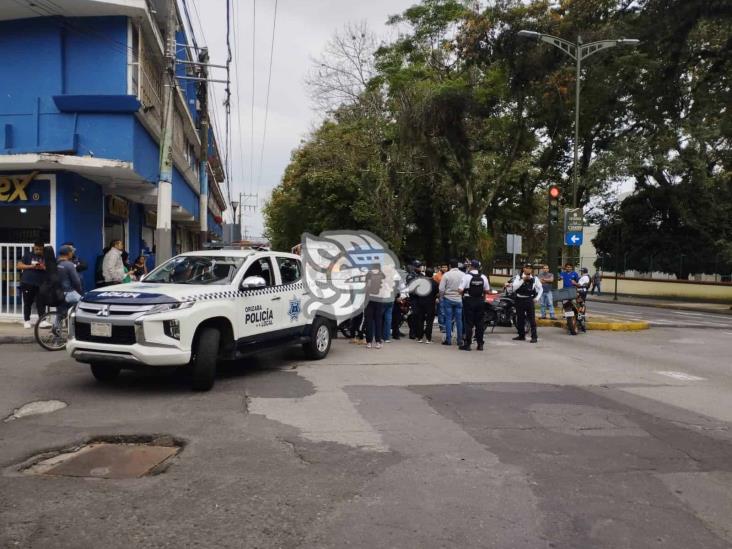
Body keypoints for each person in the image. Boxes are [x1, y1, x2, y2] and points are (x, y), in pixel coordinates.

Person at [459, 259, 490, 351]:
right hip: (480, 301)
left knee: (469, 323)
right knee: (479, 323)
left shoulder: (466, 277)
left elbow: (460, 290)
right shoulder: (483, 277)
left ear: (471, 266)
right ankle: (480, 344)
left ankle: (467, 344)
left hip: (469, 300)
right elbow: (487, 290)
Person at [17, 241, 47, 328]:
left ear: (43, 248)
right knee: (27, 302)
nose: (38, 250)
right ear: (33, 247)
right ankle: (26, 321)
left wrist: (43, 267)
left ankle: (42, 321)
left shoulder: (46, 256)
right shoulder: (28, 255)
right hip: (27, 282)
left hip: (41, 283)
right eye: (36, 248)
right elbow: (19, 266)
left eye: (40, 249)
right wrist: (31, 266)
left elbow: (51, 268)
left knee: (41, 303)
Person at [511, 263, 543, 343]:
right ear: (523, 268)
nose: (528, 269)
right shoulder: (518, 277)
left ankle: (534, 337)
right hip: (519, 299)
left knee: (532, 319)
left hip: (529, 300)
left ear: (531, 270)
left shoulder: (535, 279)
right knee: (520, 319)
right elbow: (514, 287)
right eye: (526, 268)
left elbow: (541, 289)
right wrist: (523, 280)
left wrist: (537, 298)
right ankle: (521, 335)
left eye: (530, 268)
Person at [56, 245, 83, 329]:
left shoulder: (56, 263)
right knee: (83, 303)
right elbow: (76, 281)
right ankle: (76, 329)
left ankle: (56, 329)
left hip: (57, 293)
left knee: (60, 312)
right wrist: (80, 291)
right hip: (69, 292)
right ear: (68, 253)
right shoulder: (69, 265)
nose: (73, 253)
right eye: (72, 252)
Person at [438, 259, 464, 346]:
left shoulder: (446, 275)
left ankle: (448, 340)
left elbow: (441, 288)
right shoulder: (463, 275)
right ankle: (460, 340)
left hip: (448, 299)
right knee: (459, 320)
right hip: (459, 299)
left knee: (448, 319)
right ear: (458, 265)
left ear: (450, 266)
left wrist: (441, 297)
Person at [413, 268, 439, 343]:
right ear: (432, 274)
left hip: (421, 303)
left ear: (425, 274)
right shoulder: (435, 283)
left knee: (420, 320)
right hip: (430, 303)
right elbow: (437, 294)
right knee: (429, 321)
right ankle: (428, 338)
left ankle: (420, 338)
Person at [363, 266, 386, 349]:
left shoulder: (368, 274)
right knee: (378, 321)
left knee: (369, 321)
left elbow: (366, 287)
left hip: (369, 300)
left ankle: (369, 342)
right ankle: (378, 342)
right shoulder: (382, 275)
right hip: (379, 300)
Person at [433, 264, 448, 332]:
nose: (444, 268)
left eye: (446, 267)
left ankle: (447, 326)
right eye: (443, 267)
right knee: (441, 312)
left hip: (448, 296)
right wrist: (436, 297)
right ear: (440, 268)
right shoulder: (437, 276)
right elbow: (434, 287)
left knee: (447, 312)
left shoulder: (449, 275)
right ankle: (442, 327)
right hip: (440, 296)